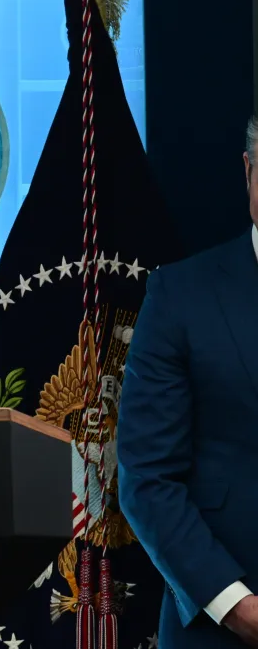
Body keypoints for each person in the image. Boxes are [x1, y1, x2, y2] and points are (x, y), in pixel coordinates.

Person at [118, 116, 258, 648]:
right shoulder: (181, 296)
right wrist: (237, 608)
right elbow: (148, 478)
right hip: (223, 629)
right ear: (248, 172)